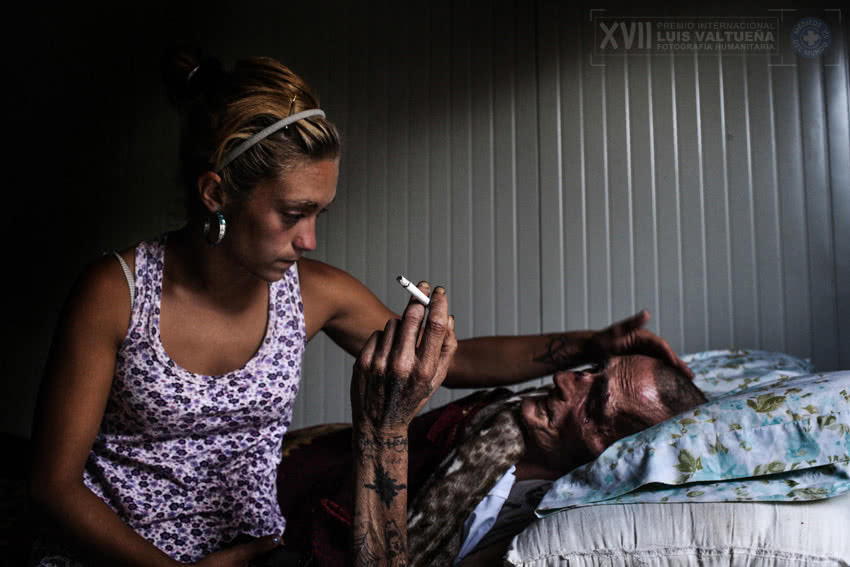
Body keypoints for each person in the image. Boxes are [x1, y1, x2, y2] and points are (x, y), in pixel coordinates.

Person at [28, 44, 691, 567]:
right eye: (294, 213)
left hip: (256, 555)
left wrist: (591, 344)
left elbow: (456, 362)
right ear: (215, 193)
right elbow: (53, 485)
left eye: (320, 213)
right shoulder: (115, 294)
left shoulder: (311, 293)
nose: (310, 240)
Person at [277, 353, 706, 567]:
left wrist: (382, 431)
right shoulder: (506, 413)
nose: (562, 379)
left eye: (594, 402)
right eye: (589, 369)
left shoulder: (542, 532)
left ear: (616, 454)